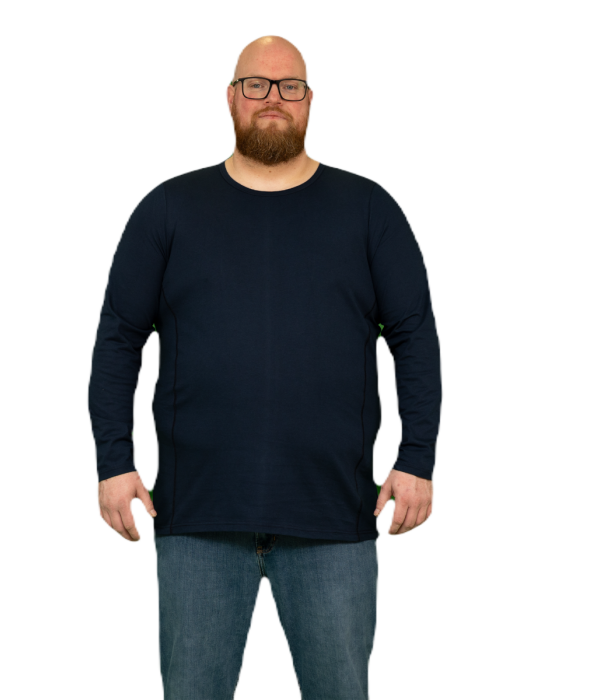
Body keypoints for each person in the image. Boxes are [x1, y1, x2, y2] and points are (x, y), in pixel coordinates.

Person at [88, 34, 441, 699]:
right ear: (231, 98)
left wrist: (416, 457)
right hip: (197, 517)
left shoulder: (370, 210)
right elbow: (117, 340)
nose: (272, 98)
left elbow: (416, 339)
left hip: (333, 518)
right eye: (256, 84)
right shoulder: (167, 209)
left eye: (289, 86)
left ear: (309, 101)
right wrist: (113, 460)